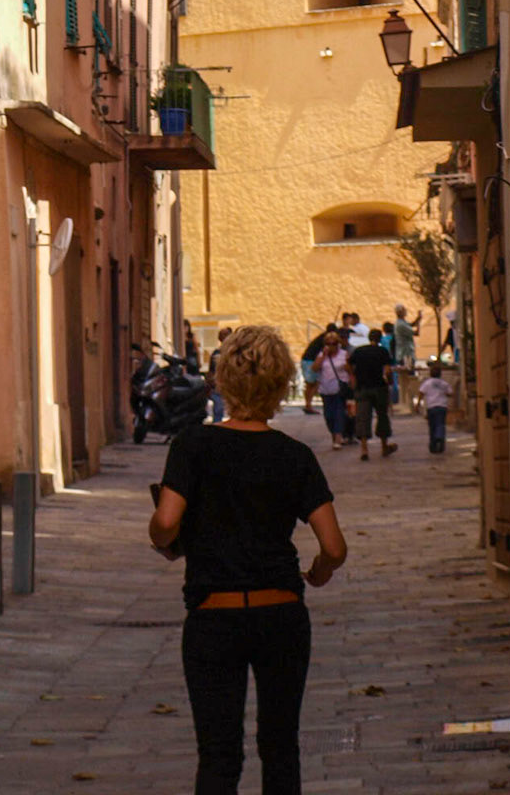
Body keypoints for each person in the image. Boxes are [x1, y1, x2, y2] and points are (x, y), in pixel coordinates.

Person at [149, 326, 348, 795]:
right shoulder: (294, 456)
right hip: (280, 611)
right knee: (281, 748)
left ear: (221, 380)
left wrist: (166, 536)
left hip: (213, 616)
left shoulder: (193, 446)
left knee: (218, 756)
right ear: (281, 385)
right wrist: (318, 574)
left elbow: (165, 522)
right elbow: (334, 547)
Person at [347, 332, 396, 460]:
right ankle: (384, 446)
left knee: (363, 417)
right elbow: (387, 370)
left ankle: (364, 450)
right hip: (379, 387)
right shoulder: (382, 351)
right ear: (379, 339)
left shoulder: (359, 351)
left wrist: (353, 377)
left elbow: (348, 364)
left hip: (362, 387)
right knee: (382, 416)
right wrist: (390, 381)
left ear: (369, 338)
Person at [314, 333, 350, 450]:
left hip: (339, 388)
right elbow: (315, 368)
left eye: (333, 344)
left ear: (338, 344)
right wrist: (323, 356)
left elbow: (350, 371)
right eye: (328, 344)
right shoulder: (322, 355)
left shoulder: (344, 355)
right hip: (325, 389)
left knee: (339, 413)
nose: (331, 346)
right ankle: (334, 435)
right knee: (328, 415)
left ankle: (338, 437)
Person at [298, 324, 336, 415]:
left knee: (312, 384)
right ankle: (308, 405)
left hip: (307, 360)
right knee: (312, 384)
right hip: (310, 361)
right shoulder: (326, 340)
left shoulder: (322, 337)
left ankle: (308, 405)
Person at [419, 360, 453, 453]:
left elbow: (421, 393)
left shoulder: (427, 383)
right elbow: (450, 393)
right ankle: (440, 438)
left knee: (432, 426)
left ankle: (433, 444)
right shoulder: (444, 383)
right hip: (442, 406)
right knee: (441, 424)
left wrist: (418, 404)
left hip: (431, 407)